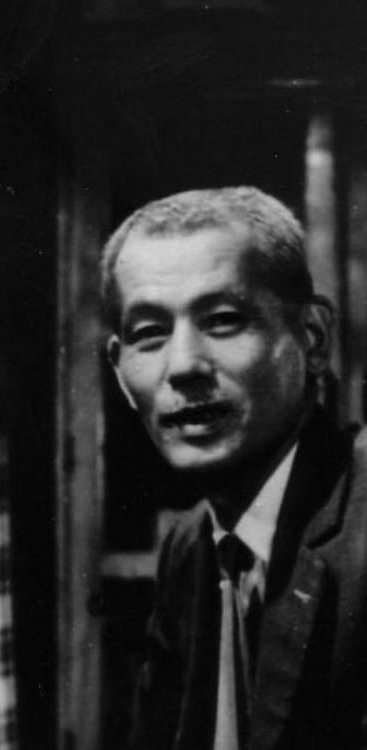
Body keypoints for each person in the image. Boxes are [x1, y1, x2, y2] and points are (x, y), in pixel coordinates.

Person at [102, 186, 367, 750]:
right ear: (121, 372)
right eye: (149, 334)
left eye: (223, 320)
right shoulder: (189, 547)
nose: (183, 366)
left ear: (313, 338)